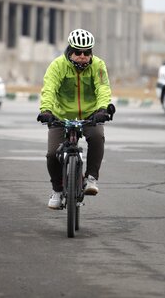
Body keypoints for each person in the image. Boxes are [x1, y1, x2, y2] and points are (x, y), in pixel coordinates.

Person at [37, 28, 112, 209]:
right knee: (51, 154)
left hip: (89, 115)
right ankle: (57, 190)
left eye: (86, 52)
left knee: (97, 137)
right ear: (70, 51)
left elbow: (103, 88)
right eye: (78, 52)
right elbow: (49, 88)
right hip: (61, 115)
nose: (82, 56)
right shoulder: (57, 65)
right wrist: (46, 110)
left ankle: (91, 178)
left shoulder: (98, 66)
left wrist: (103, 108)